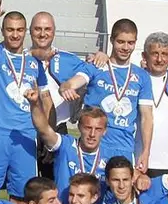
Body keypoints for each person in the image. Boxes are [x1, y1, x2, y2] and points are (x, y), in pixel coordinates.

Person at [54, 19, 154, 170]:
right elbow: (70, 83)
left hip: (124, 147)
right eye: (121, 42)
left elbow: (147, 117)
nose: (125, 47)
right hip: (95, 146)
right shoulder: (96, 66)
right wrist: (66, 88)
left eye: (130, 43)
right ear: (112, 40)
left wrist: (145, 152)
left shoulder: (142, 76)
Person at [0, 4, 43, 199]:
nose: (15, 35)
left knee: (24, 195)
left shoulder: (34, 62)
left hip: (26, 135)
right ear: (3, 31)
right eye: (10, 30)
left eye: (19, 30)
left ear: (26, 31)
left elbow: (43, 99)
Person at [28, 90, 109, 204]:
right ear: (79, 127)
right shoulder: (66, 144)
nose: (92, 134)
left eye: (98, 129)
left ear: (104, 131)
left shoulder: (110, 155)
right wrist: (34, 104)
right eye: (88, 128)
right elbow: (43, 129)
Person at [138, 32, 168, 184]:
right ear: (145, 56)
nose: (160, 59)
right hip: (136, 157)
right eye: (155, 54)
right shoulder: (135, 77)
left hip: (166, 160)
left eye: (164, 54)